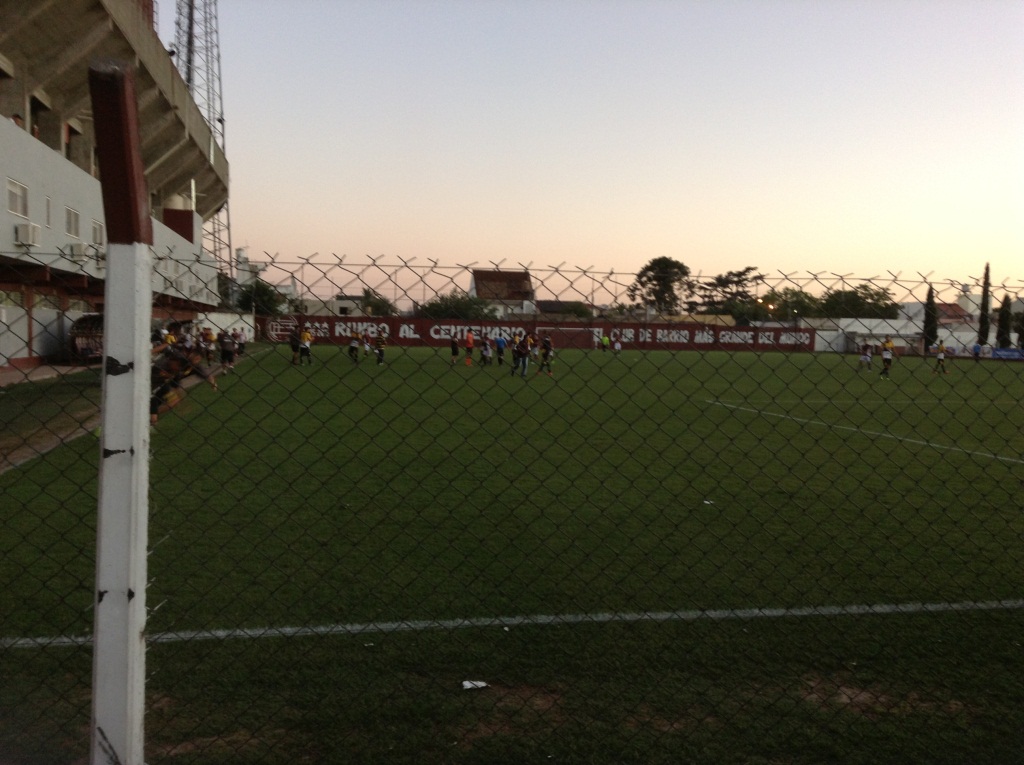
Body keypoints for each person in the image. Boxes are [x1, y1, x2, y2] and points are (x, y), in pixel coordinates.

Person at [150, 341, 217, 425]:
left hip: (164, 383)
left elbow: (208, 375)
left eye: (199, 359)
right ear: (192, 354)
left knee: (175, 400)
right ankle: (152, 415)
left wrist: (213, 383)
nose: (197, 360)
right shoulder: (179, 356)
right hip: (154, 377)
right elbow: (167, 346)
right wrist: (150, 352)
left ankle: (152, 414)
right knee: (156, 408)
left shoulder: (195, 367)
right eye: (196, 357)